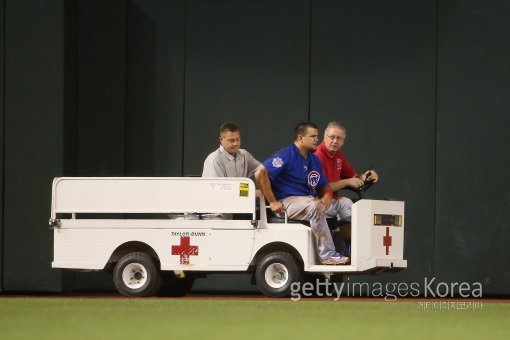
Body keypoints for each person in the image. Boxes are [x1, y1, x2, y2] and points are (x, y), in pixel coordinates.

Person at [255, 122, 349, 265]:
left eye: (317, 136)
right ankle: (328, 255)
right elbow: (260, 173)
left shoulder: (314, 159)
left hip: (308, 201)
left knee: (345, 204)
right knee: (315, 206)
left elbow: (324, 186)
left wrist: (327, 195)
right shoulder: (287, 154)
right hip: (287, 202)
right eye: (312, 136)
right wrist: (272, 201)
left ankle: (349, 248)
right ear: (300, 138)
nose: (316, 140)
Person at [314, 121, 379, 254]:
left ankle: (350, 248)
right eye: (332, 137)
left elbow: (354, 176)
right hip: (316, 202)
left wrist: (367, 176)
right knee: (345, 204)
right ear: (324, 137)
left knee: (349, 206)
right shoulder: (317, 155)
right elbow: (322, 188)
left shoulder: (338, 156)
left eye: (339, 138)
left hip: (332, 201)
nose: (334, 141)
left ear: (343, 142)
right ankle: (340, 249)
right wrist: (348, 182)